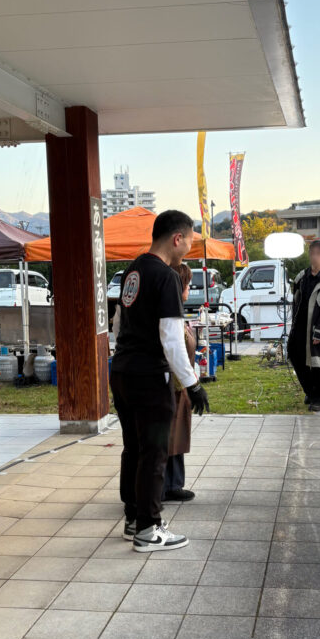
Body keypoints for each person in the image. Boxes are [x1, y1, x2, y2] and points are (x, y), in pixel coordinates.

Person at [110, 210, 209, 552]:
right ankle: (149, 529)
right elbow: (172, 338)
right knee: (154, 453)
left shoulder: (132, 270)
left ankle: (133, 518)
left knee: (133, 449)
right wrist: (192, 384)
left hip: (121, 371)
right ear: (176, 238)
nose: (190, 249)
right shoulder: (165, 276)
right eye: (190, 241)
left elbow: (118, 326)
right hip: (149, 376)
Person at [287, 240, 320, 411]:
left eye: (318, 253)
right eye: (312, 253)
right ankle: (310, 390)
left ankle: (319, 399)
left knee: (318, 363)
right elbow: (295, 300)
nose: (314, 256)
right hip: (300, 326)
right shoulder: (302, 276)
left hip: (317, 328)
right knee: (295, 355)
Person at [163, 263, 197, 503]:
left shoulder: (178, 311)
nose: (189, 289)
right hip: (172, 384)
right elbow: (174, 350)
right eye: (188, 285)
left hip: (181, 384)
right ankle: (167, 485)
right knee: (169, 437)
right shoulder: (169, 312)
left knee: (178, 436)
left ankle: (175, 483)